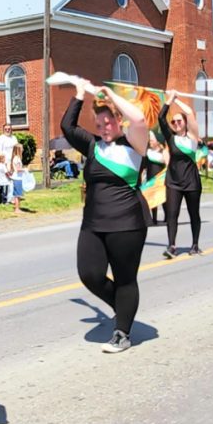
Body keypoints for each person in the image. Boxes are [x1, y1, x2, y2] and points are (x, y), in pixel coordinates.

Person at [61, 77, 150, 353]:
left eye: (107, 123)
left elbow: (139, 120)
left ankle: (122, 332)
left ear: (118, 120)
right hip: (93, 224)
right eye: (98, 125)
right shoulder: (93, 146)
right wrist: (78, 94)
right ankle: (123, 308)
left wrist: (110, 94)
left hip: (127, 224)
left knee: (125, 279)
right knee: (90, 274)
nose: (103, 129)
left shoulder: (134, 143)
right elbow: (67, 126)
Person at [159, 90, 203, 257]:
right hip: (173, 182)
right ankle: (171, 246)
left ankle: (195, 244)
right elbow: (160, 118)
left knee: (194, 213)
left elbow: (190, 113)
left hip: (191, 182)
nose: (176, 123)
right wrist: (169, 100)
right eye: (174, 121)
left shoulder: (192, 137)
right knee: (171, 214)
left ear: (185, 123)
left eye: (179, 121)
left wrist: (177, 99)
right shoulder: (170, 138)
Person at [143, 133, 168, 223]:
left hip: (161, 179)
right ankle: (154, 218)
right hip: (151, 179)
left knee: (163, 198)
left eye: (152, 140)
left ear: (158, 141)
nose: (150, 142)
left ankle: (167, 216)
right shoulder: (148, 153)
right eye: (150, 141)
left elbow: (168, 164)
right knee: (153, 198)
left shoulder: (163, 152)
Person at [9, 143, 25, 214]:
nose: (23, 149)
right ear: (18, 150)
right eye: (22, 148)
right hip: (17, 178)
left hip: (17, 178)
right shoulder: (17, 158)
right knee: (18, 195)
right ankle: (17, 209)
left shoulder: (15, 158)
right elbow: (18, 169)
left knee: (17, 194)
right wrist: (25, 170)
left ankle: (17, 208)